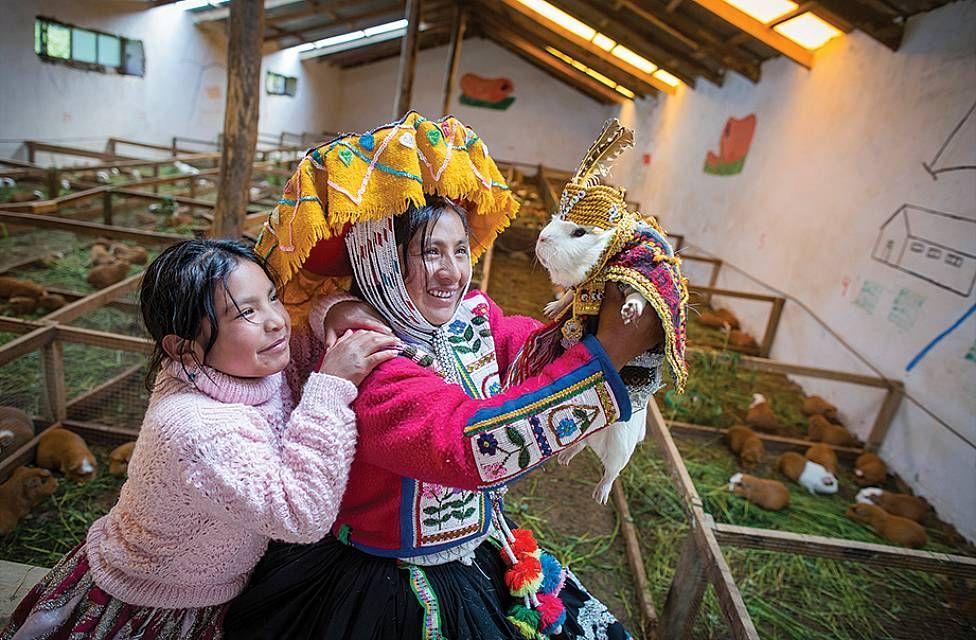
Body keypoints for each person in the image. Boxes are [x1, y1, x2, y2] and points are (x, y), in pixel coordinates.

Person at [223, 196, 663, 639]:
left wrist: (600, 308)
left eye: (459, 250)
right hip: (387, 582)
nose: (453, 272)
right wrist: (607, 354)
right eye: (430, 252)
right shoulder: (366, 360)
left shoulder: (468, 316)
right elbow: (470, 447)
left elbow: (528, 354)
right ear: (380, 260)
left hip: (477, 546)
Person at [1, 239, 397, 640]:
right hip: (150, 606)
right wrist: (329, 388)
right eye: (246, 311)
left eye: (272, 297)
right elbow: (301, 515)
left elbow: (301, 347)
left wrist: (334, 312)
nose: (275, 319)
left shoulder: (243, 362)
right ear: (183, 346)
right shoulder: (198, 430)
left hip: (210, 589)